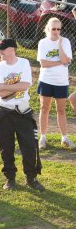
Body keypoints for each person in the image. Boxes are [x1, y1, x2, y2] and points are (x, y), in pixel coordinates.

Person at [0, 39, 44, 191]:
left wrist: (5, 87)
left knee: (29, 146)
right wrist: (15, 87)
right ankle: (10, 179)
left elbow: (25, 85)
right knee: (6, 147)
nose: (0, 52)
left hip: (22, 111)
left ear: (12, 49)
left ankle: (31, 178)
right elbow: (1, 93)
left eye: (3, 49)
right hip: (3, 111)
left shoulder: (24, 63)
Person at [37, 17, 75, 149]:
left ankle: (64, 138)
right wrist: (60, 63)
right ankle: (43, 137)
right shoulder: (43, 42)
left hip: (61, 81)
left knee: (61, 110)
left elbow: (67, 59)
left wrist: (59, 45)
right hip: (46, 80)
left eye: (59, 29)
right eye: (53, 29)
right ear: (48, 29)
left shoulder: (65, 42)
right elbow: (43, 63)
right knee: (44, 108)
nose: (56, 31)